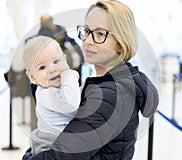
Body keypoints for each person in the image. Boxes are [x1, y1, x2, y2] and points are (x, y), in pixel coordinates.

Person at [23, 0, 159, 159]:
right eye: (86, 31)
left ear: (121, 44)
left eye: (100, 34)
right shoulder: (109, 84)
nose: (87, 40)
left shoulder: (110, 95)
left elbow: (59, 156)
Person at [22, 36, 81, 156]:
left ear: (65, 60)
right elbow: (70, 103)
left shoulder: (55, 89)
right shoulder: (45, 94)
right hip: (50, 147)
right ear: (33, 77)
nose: (52, 69)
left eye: (56, 61)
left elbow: (69, 97)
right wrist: (70, 76)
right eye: (42, 67)